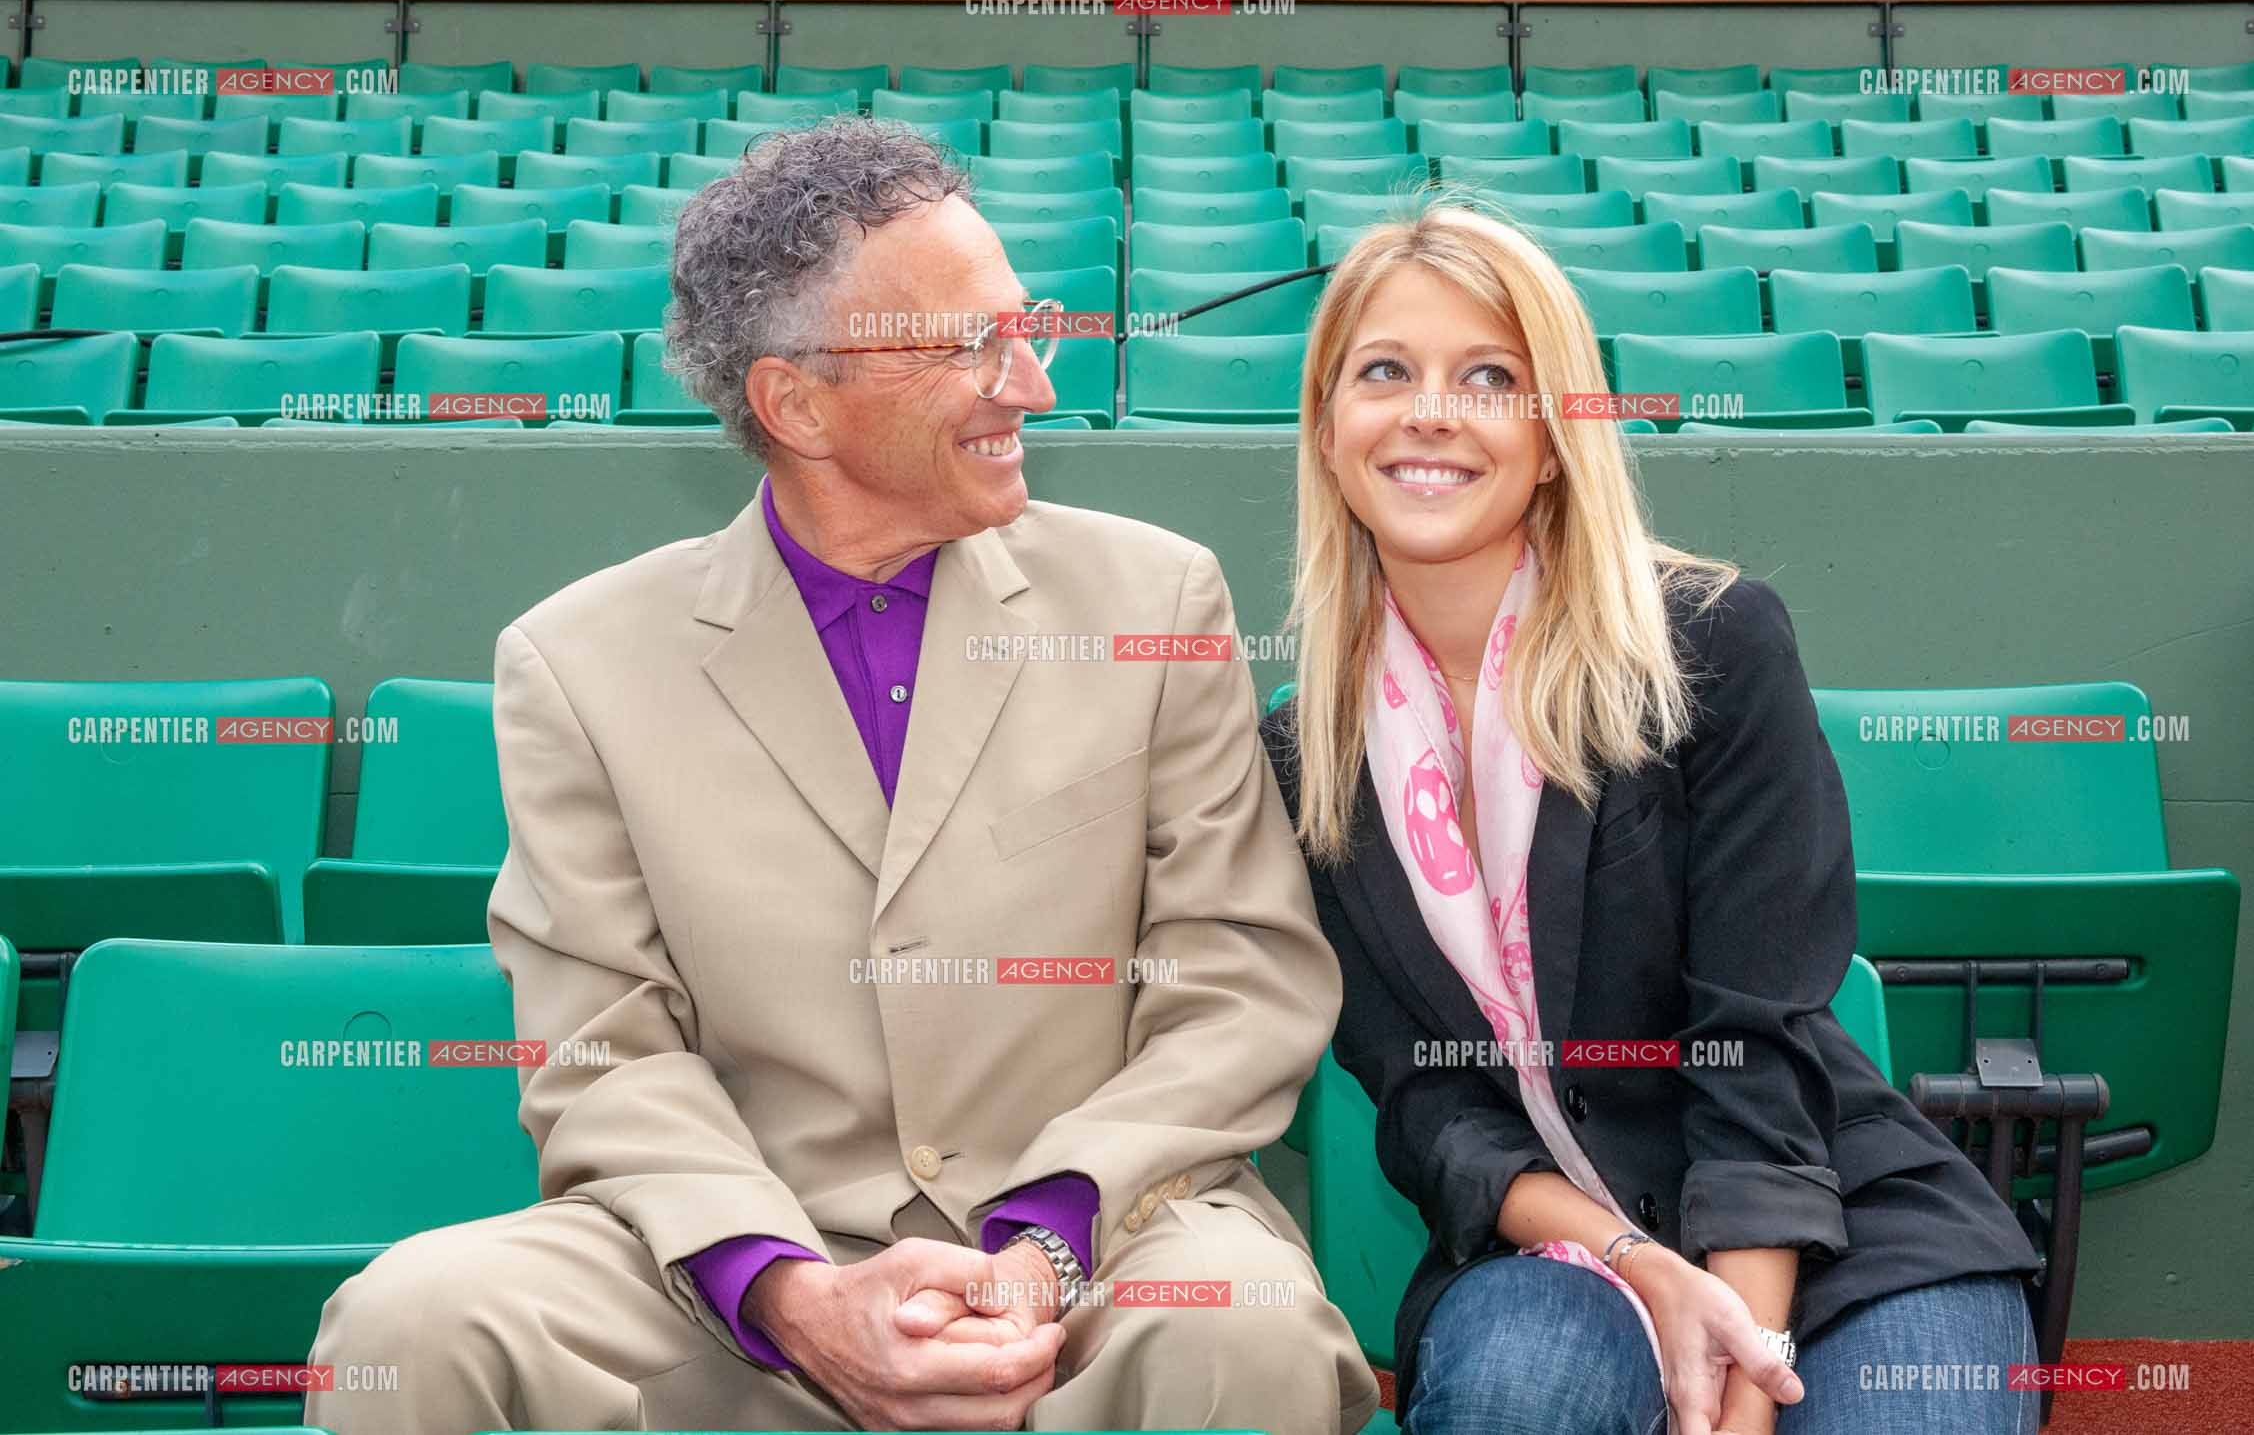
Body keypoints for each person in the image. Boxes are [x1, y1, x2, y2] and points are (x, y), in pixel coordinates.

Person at [306, 115, 1378, 1435]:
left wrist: (1045, 1241)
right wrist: (791, 1294)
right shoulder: (575, 663)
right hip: (738, 1281)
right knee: (409, 1322)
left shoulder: (1157, 599)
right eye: (970, 345)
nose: (1031, 384)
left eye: (1025, 327)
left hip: (1101, 1245)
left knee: (1246, 1323)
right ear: (796, 405)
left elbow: (1238, 978)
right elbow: (601, 1048)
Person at [1259, 201, 2041, 1435]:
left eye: (1490, 377)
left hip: (1835, 1222)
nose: (1430, 412)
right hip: (1558, 1252)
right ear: (1326, 423)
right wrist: (1636, 1259)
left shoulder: (1712, 647)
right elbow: (1424, 1105)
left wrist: (1743, 1380)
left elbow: (1757, 1045)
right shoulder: (1306, 754)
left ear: (1555, 436)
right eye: (1384, 372)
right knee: (1516, 1400)